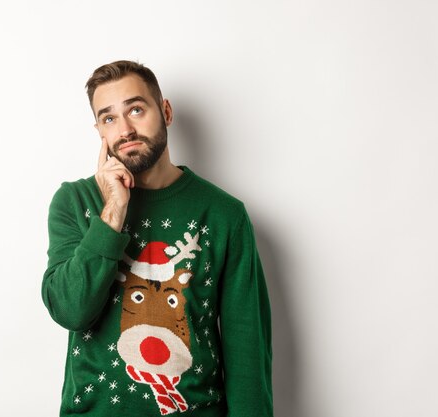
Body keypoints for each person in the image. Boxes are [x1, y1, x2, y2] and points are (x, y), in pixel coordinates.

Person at [42, 60, 273, 417]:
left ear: (165, 111)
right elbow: (71, 310)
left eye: (136, 109)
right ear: (99, 131)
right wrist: (112, 216)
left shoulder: (224, 215)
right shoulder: (75, 202)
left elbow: (247, 352)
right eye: (109, 118)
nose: (125, 129)